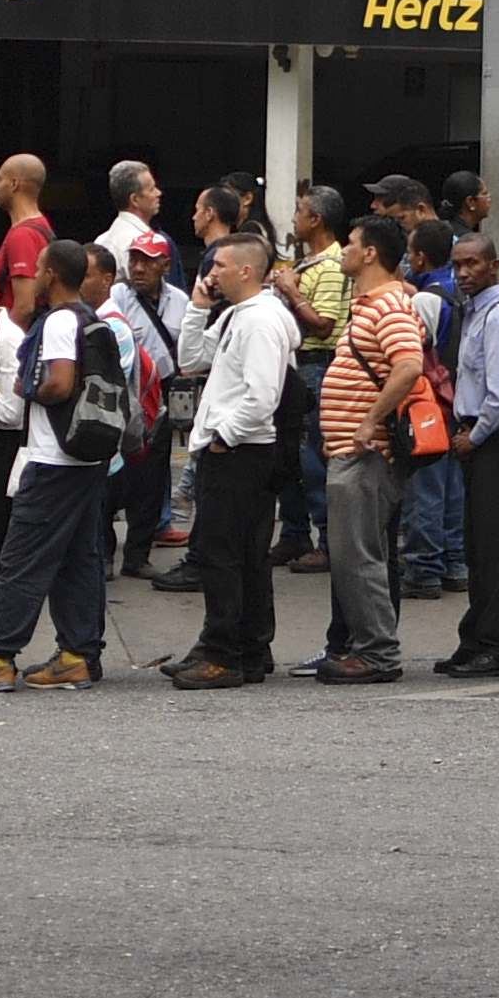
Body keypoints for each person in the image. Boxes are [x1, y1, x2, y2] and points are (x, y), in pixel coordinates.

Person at [0, 245, 125, 690]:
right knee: (78, 558)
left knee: (20, 558)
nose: (31, 276)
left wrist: (28, 386)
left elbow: (59, 382)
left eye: (36, 269)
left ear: (51, 275)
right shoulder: (91, 318)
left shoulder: (58, 321)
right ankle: (77, 654)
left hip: (52, 459)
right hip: (86, 456)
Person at [166, 236, 297, 688]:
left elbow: (262, 395)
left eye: (220, 265)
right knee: (244, 554)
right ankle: (249, 646)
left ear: (246, 271)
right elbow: (192, 359)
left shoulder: (259, 322)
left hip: (242, 453)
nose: (211, 272)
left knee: (225, 556)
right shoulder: (237, 317)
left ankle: (225, 654)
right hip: (237, 449)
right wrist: (198, 307)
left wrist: (225, 437)